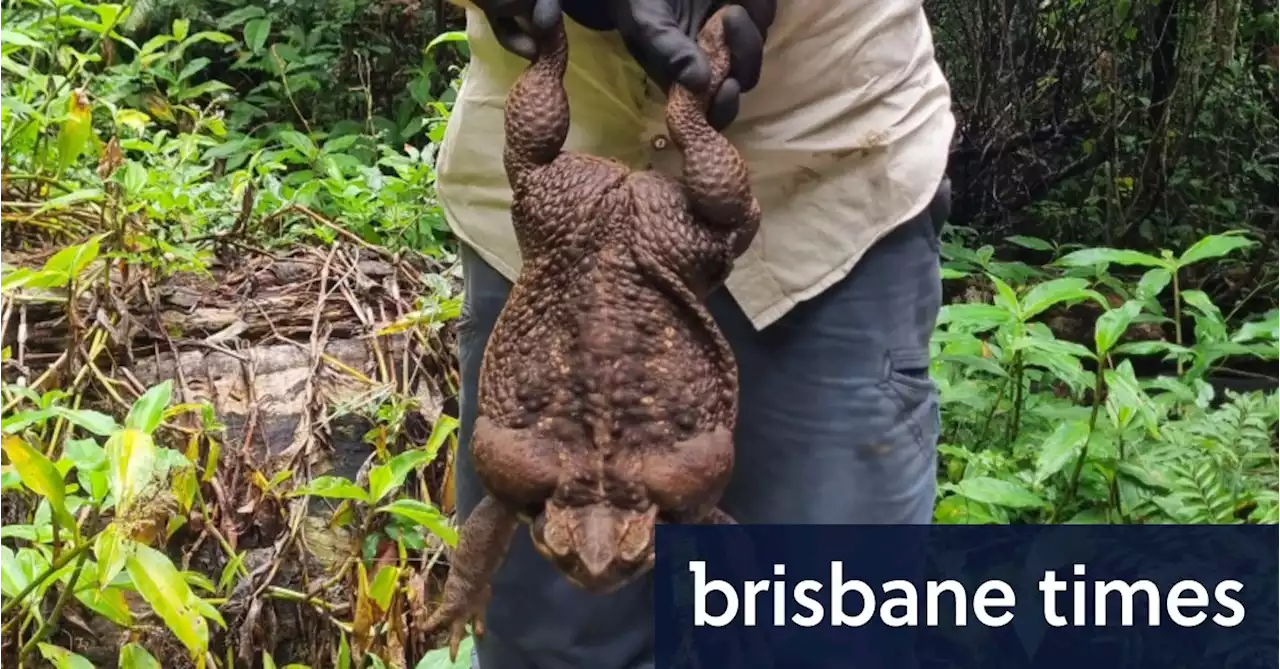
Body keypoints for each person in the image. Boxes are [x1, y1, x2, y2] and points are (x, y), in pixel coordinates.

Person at [433, 0, 955, 667]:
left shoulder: (570, 476)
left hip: (825, 176)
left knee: (825, 632)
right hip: (561, 222)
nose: (593, 560)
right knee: (546, 650)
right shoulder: (590, 478)